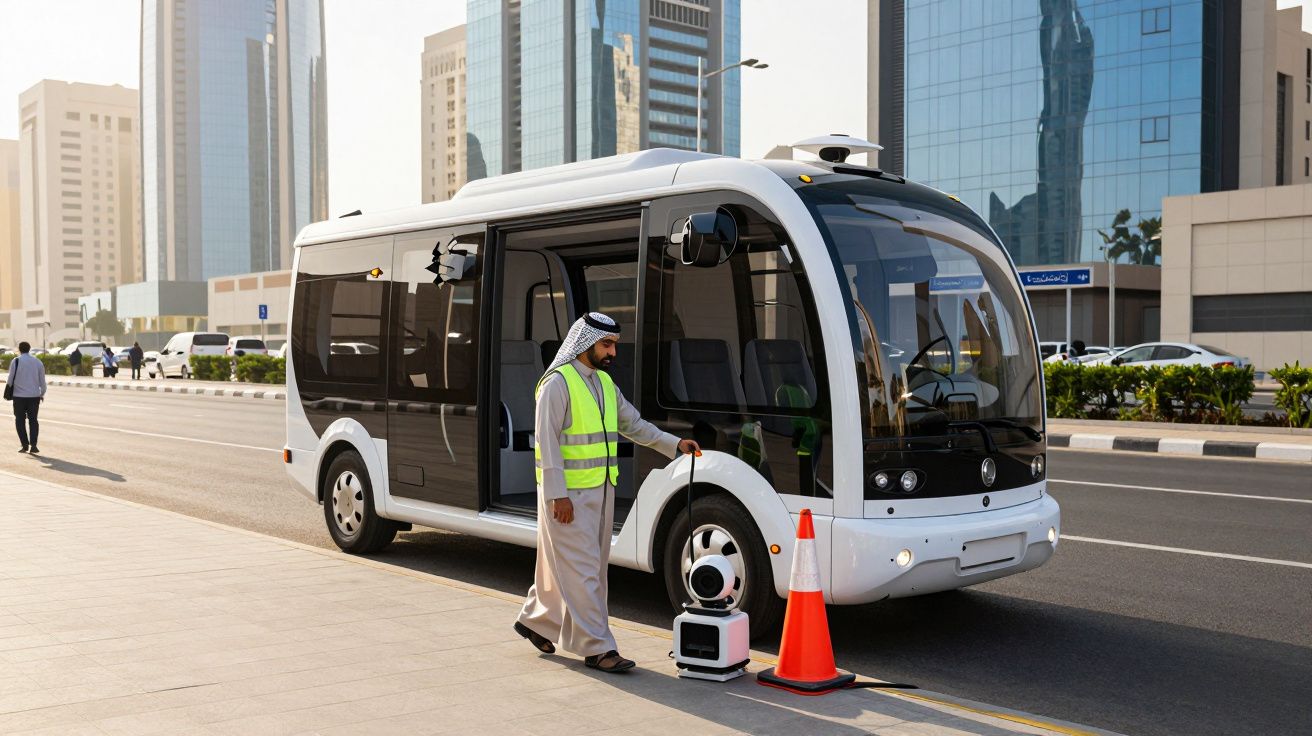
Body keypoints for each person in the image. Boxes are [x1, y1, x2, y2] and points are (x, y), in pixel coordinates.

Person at [514, 312, 700, 673]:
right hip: (568, 497)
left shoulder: (603, 383)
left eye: (614, 344)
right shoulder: (557, 383)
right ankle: (598, 648)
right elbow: (546, 443)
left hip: (600, 491)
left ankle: (536, 620)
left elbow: (634, 425)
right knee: (584, 571)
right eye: (607, 344)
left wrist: (674, 444)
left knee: (579, 567)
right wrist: (557, 496)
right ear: (585, 343)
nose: (613, 352)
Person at [7, 342, 47, 454]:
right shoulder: (38, 362)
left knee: (20, 420)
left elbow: (10, 380)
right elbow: (43, 382)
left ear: (19, 349)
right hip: (34, 397)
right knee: (33, 420)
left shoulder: (16, 361)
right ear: (29, 349)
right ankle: (34, 445)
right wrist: (41, 394)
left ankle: (24, 445)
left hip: (18, 397)